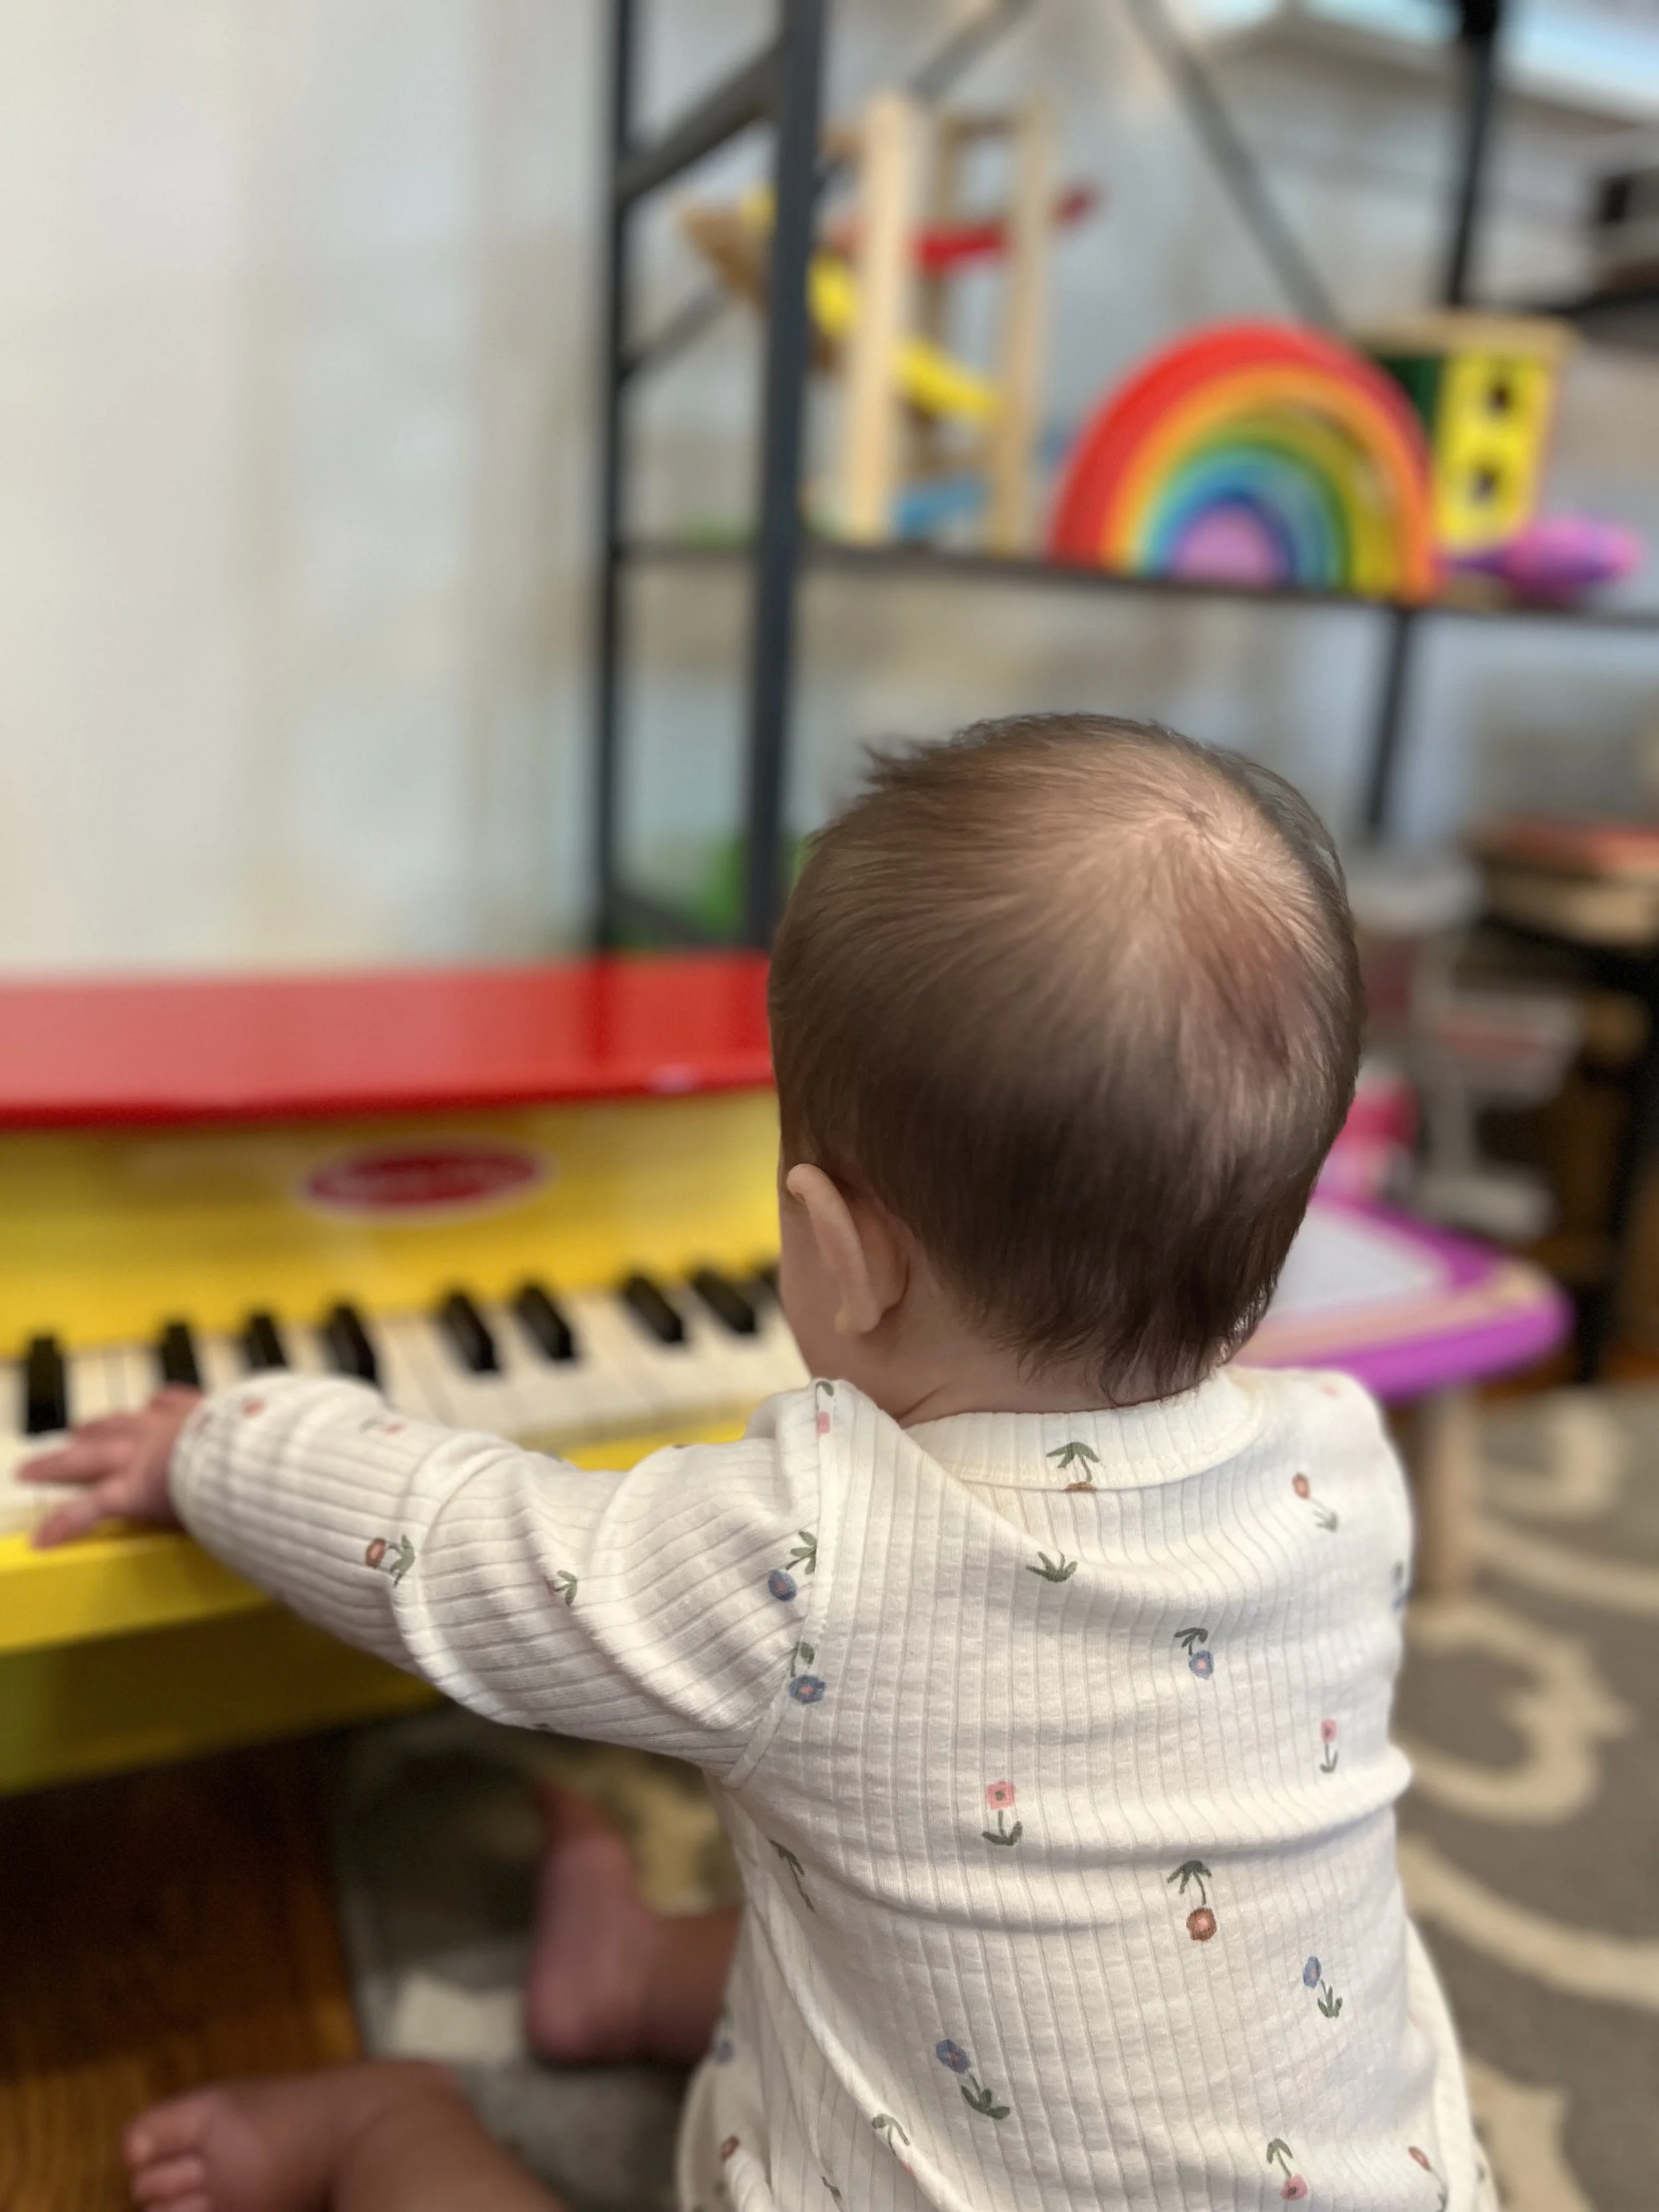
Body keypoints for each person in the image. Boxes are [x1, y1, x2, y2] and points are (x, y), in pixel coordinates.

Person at [28, 714, 1489, 2212]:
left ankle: (387, 2136)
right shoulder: (1341, 1471)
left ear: (838, 1252)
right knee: (987, 1866)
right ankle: (633, 1976)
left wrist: (214, 1443)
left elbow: (450, 1542)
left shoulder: (807, 1559)